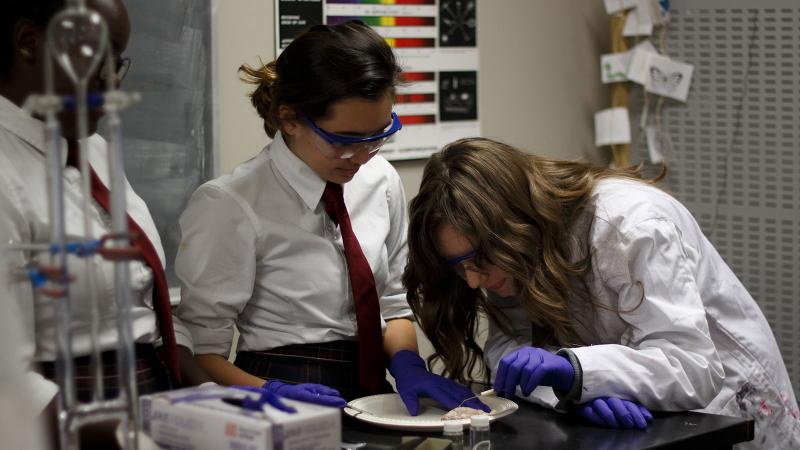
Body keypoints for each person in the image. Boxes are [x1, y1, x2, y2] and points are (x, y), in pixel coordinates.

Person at [175, 21, 487, 416]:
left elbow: (392, 304)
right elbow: (201, 351)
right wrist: (267, 392)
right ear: (290, 119)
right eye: (344, 141)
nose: (363, 156)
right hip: (281, 388)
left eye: (379, 135)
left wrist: (407, 362)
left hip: (372, 388)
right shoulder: (230, 203)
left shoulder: (381, 180)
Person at [403, 137, 800, 445]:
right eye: (461, 268)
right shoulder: (508, 255)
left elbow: (692, 367)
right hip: (645, 420)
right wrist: (575, 388)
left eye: (479, 260)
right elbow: (512, 341)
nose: (473, 281)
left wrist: (577, 370)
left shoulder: (631, 225)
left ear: (513, 226)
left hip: (727, 408)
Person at [0, 0, 211, 432]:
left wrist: (211, 398)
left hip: (148, 393)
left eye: (119, 64)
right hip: (67, 419)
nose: (111, 84)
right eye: (99, 61)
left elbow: (139, 307)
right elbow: (10, 383)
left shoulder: (92, 147)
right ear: (28, 41)